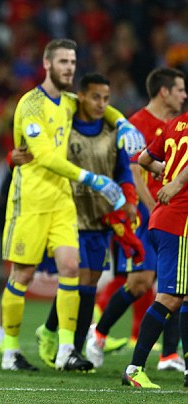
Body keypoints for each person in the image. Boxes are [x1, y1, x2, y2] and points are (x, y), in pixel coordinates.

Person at [0, 38, 139, 372]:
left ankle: (65, 350)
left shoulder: (69, 102)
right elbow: (44, 156)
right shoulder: (30, 105)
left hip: (62, 200)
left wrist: (122, 122)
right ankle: (10, 351)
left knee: (71, 268)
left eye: (73, 62)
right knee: (23, 274)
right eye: (63, 62)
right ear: (47, 64)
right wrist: (92, 179)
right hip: (30, 200)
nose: (69, 68)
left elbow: (97, 107)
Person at [28, 73, 138, 367]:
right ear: (81, 97)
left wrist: (128, 199)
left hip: (100, 215)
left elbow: (123, 170)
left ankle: (63, 342)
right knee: (72, 275)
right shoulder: (66, 127)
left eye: (106, 98)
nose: (101, 104)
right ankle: (60, 341)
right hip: (69, 210)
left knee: (90, 281)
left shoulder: (113, 131)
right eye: (95, 97)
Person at [86, 67, 187, 371]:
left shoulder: (173, 125)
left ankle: (169, 355)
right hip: (151, 214)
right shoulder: (137, 124)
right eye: (180, 89)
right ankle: (99, 334)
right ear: (164, 91)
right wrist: (150, 205)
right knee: (143, 283)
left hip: (168, 213)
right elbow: (133, 171)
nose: (184, 95)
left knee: (174, 285)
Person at [122, 104, 188, 389]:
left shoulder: (175, 124)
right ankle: (134, 368)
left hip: (165, 219)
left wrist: (166, 171)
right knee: (171, 297)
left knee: (184, 297)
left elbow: (145, 159)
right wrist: (175, 183)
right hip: (180, 222)